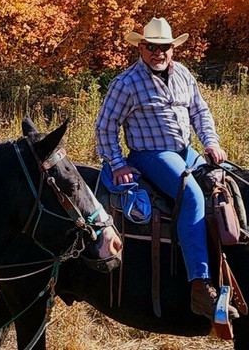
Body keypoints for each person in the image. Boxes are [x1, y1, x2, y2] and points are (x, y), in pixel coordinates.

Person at [95, 17, 228, 320]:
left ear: (172, 48)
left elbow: (200, 111)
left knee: (225, 181)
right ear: (141, 48)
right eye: (152, 47)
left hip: (185, 151)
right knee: (191, 196)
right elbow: (105, 126)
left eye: (164, 47)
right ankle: (199, 284)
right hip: (150, 154)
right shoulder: (126, 83)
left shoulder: (183, 74)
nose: (159, 53)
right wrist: (117, 163)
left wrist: (210, 142)